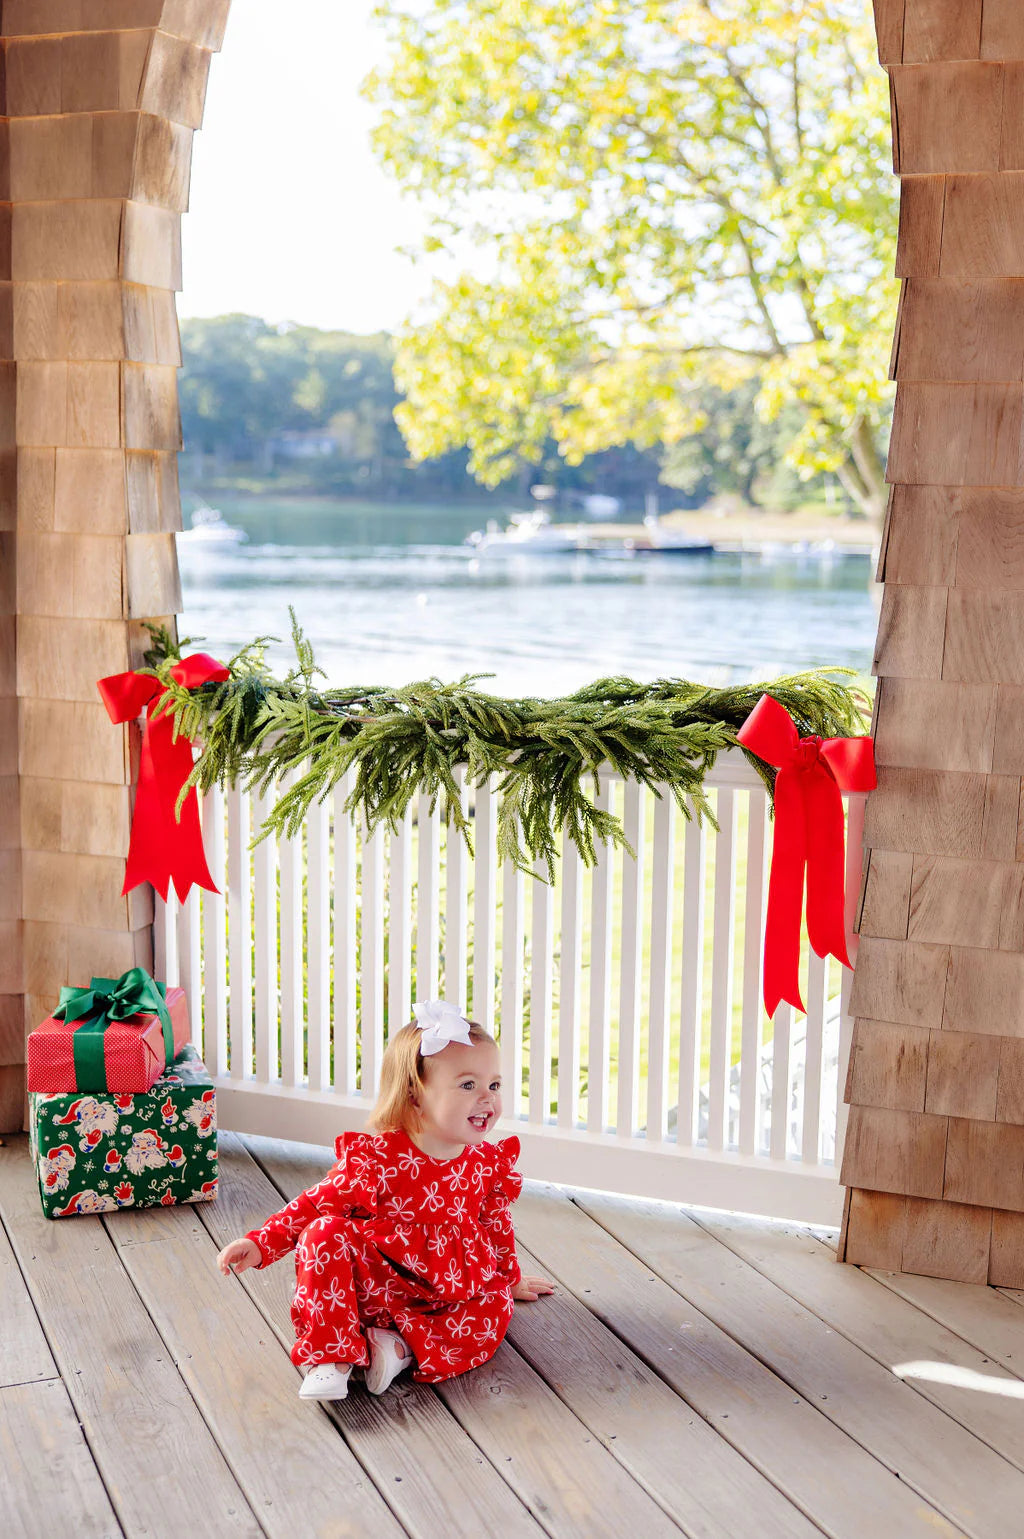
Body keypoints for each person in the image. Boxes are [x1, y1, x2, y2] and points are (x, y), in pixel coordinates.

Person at [216, 999, 553, 1400]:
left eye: (493, 1085)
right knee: (323, 1232)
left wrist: (509, 1279)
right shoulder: (380, 1158)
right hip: (378, 1290)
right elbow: (316, 1203)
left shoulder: (483, 1163)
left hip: (448, 1295)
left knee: (495, 1308)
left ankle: (399, 1350)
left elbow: (495, 1224)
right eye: (468, 1085)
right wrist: (260, 1242)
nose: (488, 1099)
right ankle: (332, 1358)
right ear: (414, 1096)